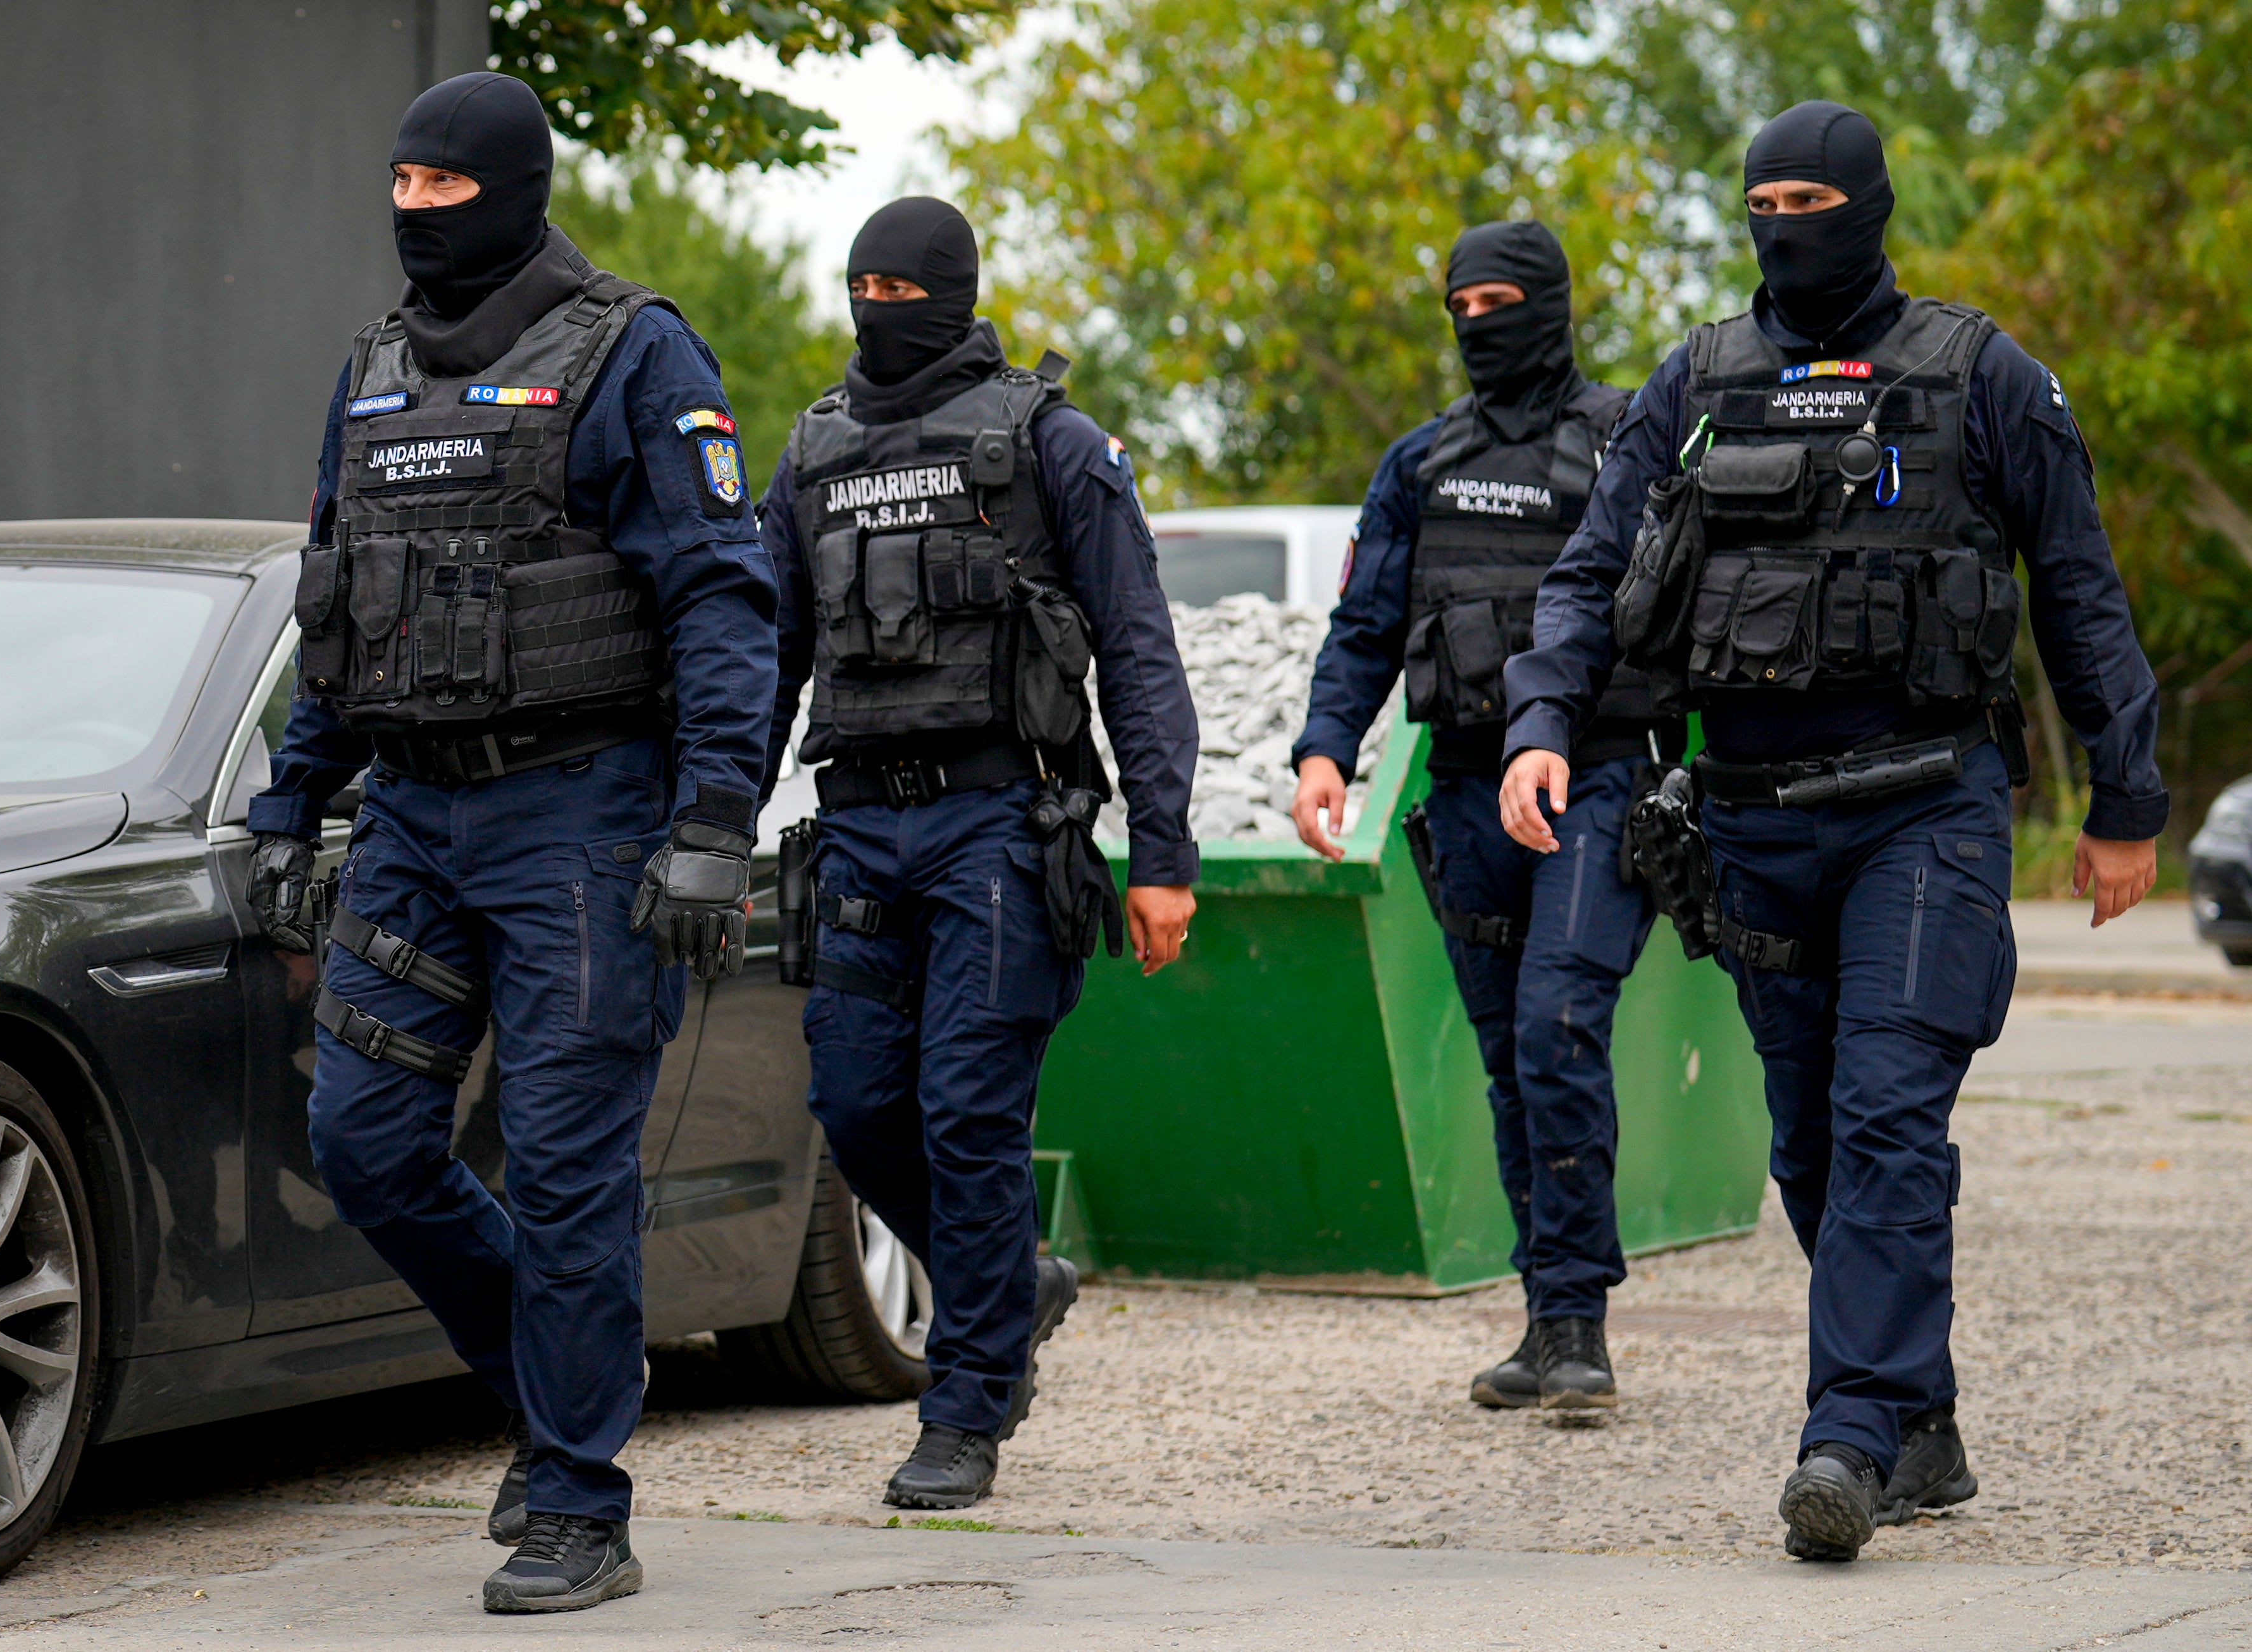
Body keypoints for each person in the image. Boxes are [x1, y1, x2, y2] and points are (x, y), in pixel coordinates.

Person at [1498, 101, 2164, 1561]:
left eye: (1812, 196)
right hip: (1749, 821)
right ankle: (1920, 1419)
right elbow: (1589, 572)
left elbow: (2080, 587)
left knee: (1883, 1115)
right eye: (1764, 198)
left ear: (1867, 204)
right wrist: (1542, 722)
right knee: (1810, 1139)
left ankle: (1847, 1437)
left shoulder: (1981, 376)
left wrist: (2126, 799)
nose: (1784, 221)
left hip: (1924, 804)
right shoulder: (1700, 380)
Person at [242, 71, 777, 1613]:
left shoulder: (633, 352)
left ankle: (580, 1496)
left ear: (513, 186)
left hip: (579, 822)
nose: (414, 215)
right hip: (411, 815)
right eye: (397, 189)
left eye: (441, 190)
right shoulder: (372, 370)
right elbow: (342, 610)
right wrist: (293, 800)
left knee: (563, 1168)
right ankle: (550, 1398)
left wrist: (715, 825)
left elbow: (722, 605)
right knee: (365, 1138)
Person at [757, 197, 1200, 1509]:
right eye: (863, 284)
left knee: (966, 1113)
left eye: (906, 285)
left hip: (1002, 824)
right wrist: (711, 821)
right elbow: (767, 658)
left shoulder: (1048, 443)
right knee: (851, 1105)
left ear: (953, 293)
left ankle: (964, 1405)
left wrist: (1163, 851)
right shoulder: (813, 453)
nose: (881, 306)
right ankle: (1014, 1282)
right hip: (856, 826)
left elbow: (1139, 651)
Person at [1290, 222, 1683, 1412]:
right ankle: (1549, 1318)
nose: (1478, 322)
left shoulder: (1626, 443)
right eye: (1459, 303)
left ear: (1552, 304)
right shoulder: (1420, 463)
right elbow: (1363, 624)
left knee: (1559, 1024)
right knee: (1516, 1060)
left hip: (1596, 777)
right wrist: (1324, 749)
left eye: (1500, 299)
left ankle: (1579, 1327)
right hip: (1463, 786)